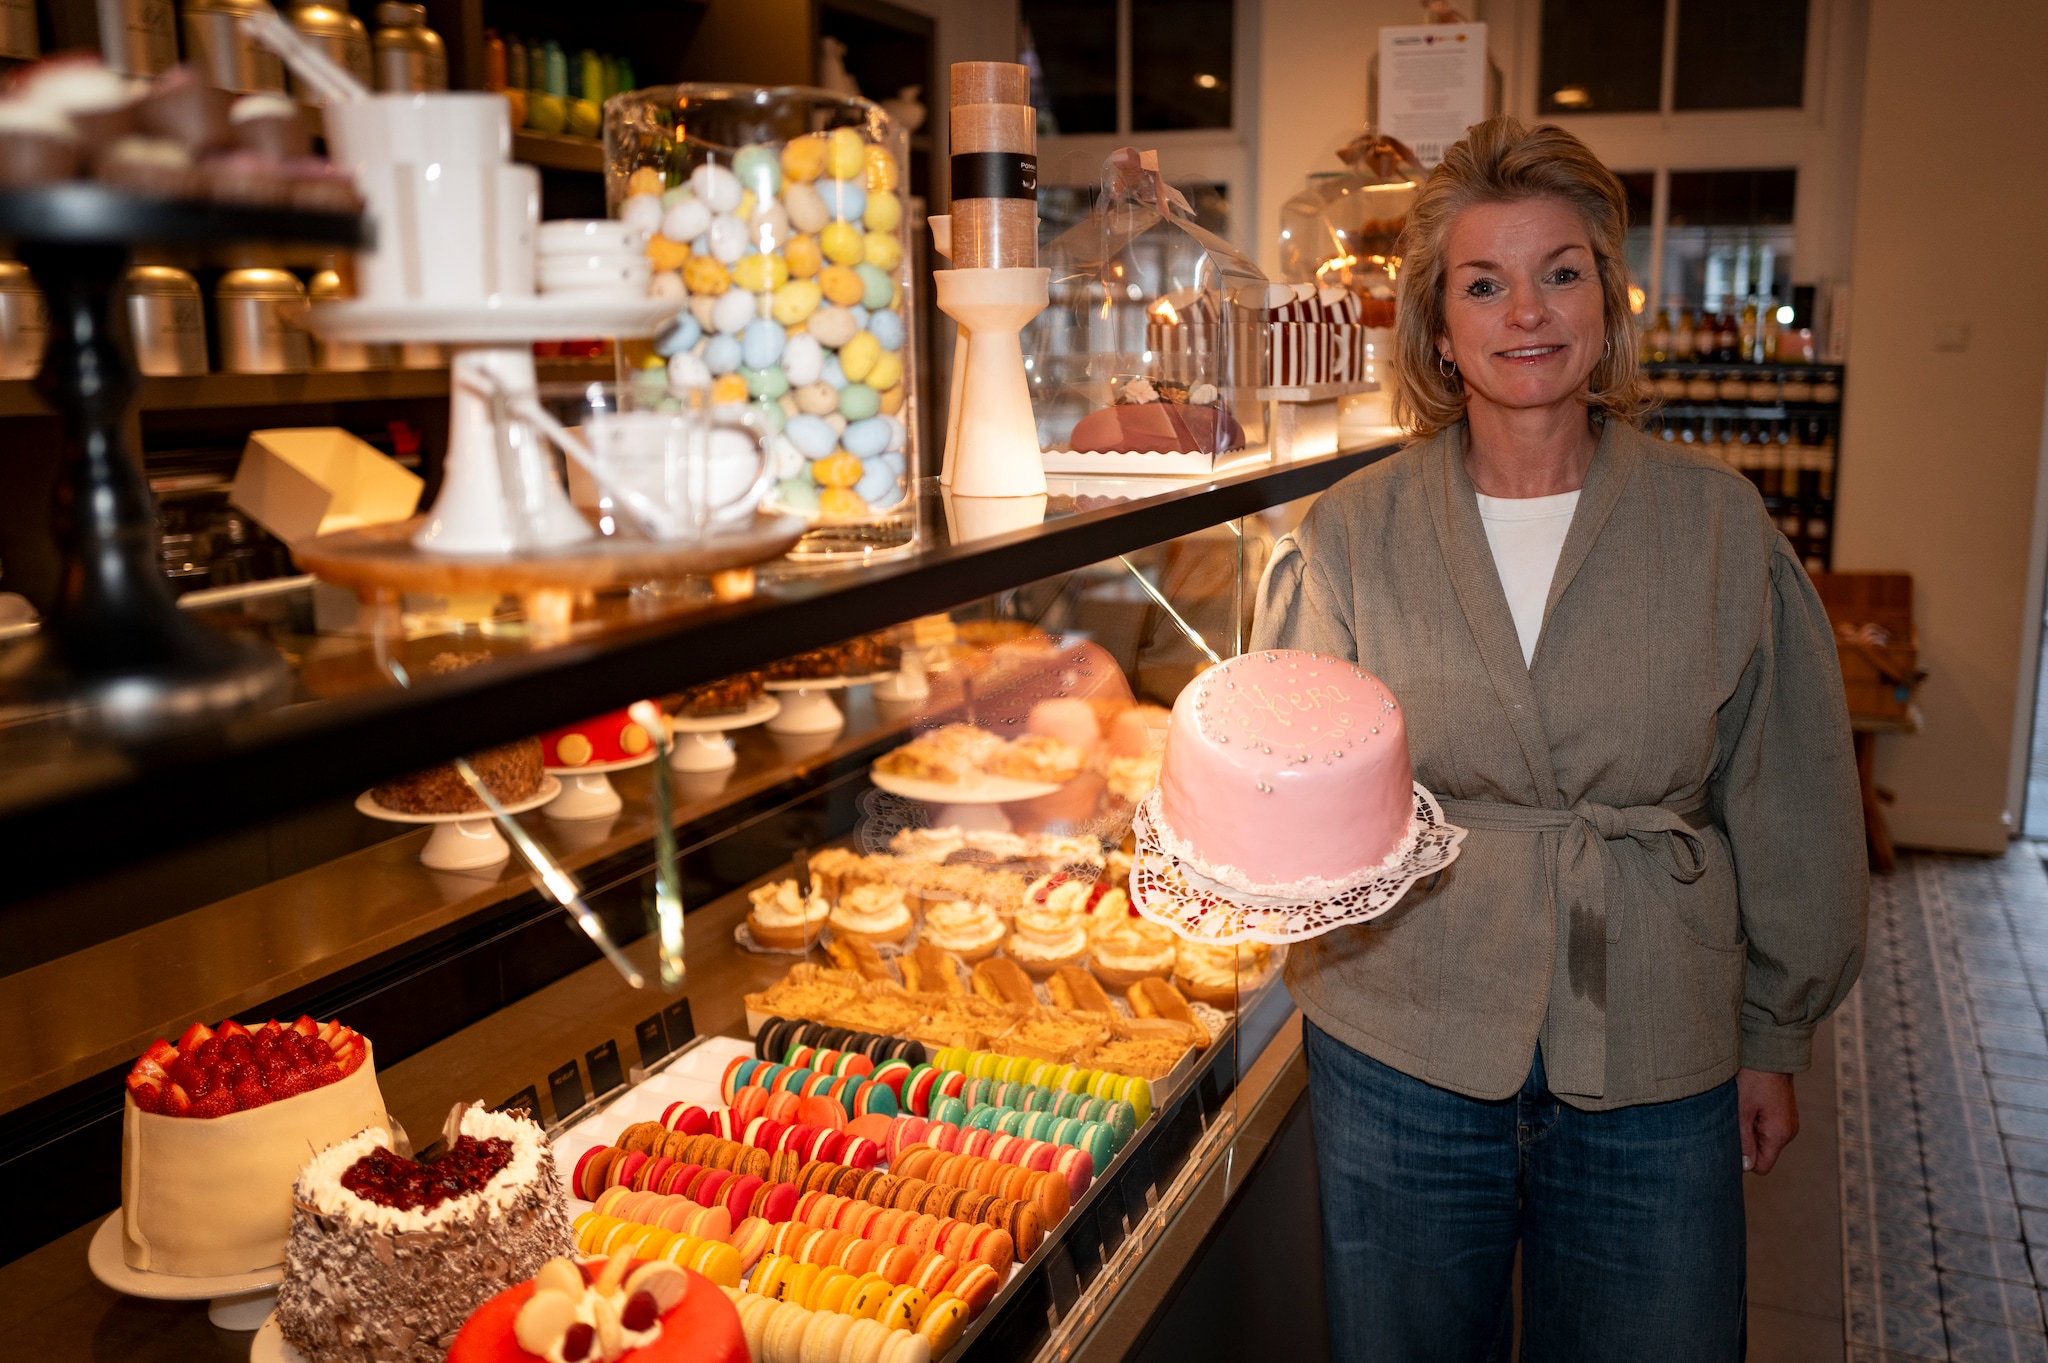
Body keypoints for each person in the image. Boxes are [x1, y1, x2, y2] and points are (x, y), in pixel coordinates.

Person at [1251, 115, 1867, 1361]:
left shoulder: (1714, 526)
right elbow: (1286, 779)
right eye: (1482, 282)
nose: (1523, 311)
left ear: (1606, 301)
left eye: (1559, 272)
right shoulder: (1349, 532)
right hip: (1403, 1034)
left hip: (1653, 1042)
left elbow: (1788, 794)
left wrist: (1774, 1032)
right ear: (1436, 326)